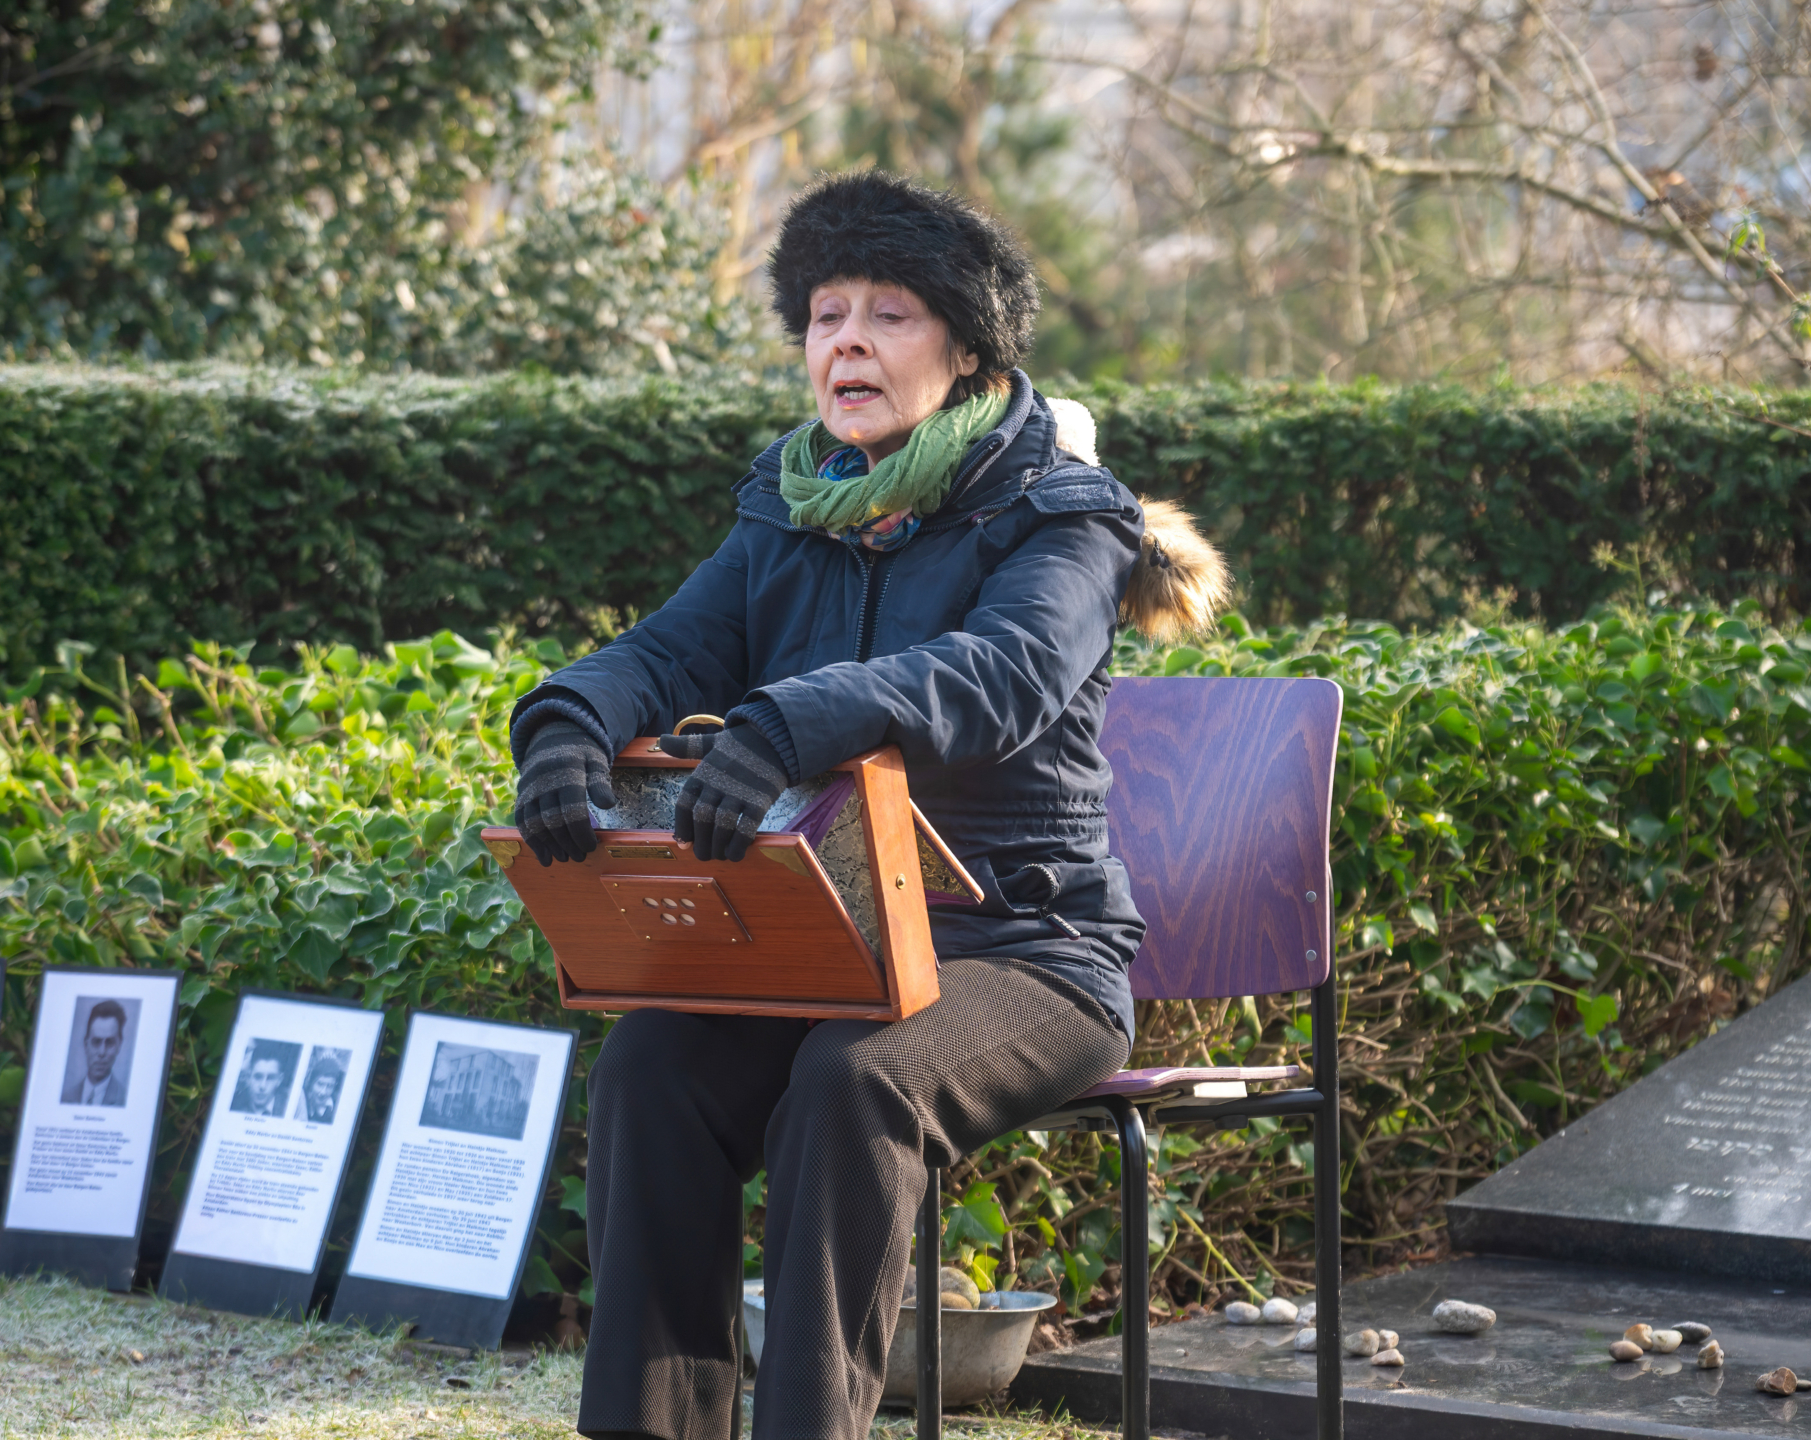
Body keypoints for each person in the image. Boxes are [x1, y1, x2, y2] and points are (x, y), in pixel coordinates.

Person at [508, 171, 1227, 1440]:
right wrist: (565, 722)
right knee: (650, 1071)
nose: (846, 339)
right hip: (829, 942)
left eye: (888, 314)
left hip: (1027, 949)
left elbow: (998, 680)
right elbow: (667, 653)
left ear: (963, 349)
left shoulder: (1066, 517)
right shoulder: (788, 506)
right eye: (825, 313)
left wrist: (797, 718)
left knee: (855, 1083)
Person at [61, 1000, 130, 1106]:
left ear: (118, 1046)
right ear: (86, 1044)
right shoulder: (65, 1098)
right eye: (96, 1042)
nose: (102, 1052)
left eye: (110, 1043)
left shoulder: (126, 1100)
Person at [302, 1050, 346, 1124]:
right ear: (311, 1083)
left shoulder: (336, 1109)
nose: (323, 1092)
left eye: (330, 1086)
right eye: (320, 1084)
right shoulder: (301, 1100)